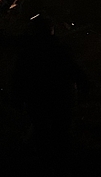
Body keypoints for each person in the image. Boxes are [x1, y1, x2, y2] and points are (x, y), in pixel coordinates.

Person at [13, 15, 89, 167]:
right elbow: (74, 69)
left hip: (38, 98)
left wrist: (18, 98)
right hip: (60, 97)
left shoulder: (27, 53)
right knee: (60, 130)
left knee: (42, 131)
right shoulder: (60, 49)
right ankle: (60, 161)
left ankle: (47, 160)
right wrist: (84, 86)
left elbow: (18, 78)